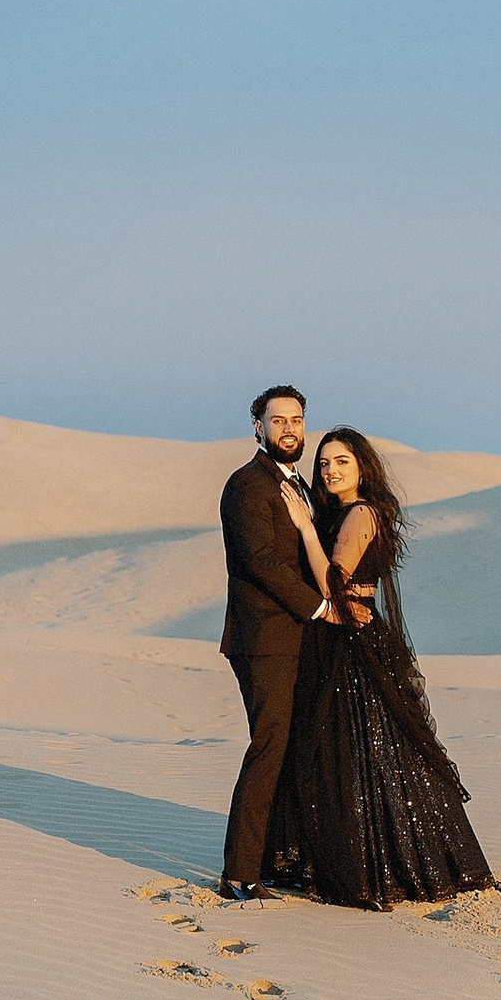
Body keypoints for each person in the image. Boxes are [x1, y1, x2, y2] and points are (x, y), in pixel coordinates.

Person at [261, 426, 496, 908]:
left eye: (341, 462)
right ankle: (348, 852)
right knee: (340, 753)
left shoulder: (362, 512)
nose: (329, 471)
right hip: (331, 638)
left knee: (366, 750)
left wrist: (305, 527)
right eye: (324, 463)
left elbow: (332, 580)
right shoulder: (337, 513)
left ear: (362, 466)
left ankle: (382, 862)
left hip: (353, 644)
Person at [218, 384, 329, 901]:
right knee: (269, 747)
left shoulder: (301, 485)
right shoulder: (246, 485)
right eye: (278, 420)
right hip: (264, 637)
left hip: (302, 636)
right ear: (257, 427)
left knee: (294, 749)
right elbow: (262, 562)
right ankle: (239, 873)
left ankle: (279, 858)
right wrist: (320, 606)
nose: (289, 428)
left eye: (297, 420)